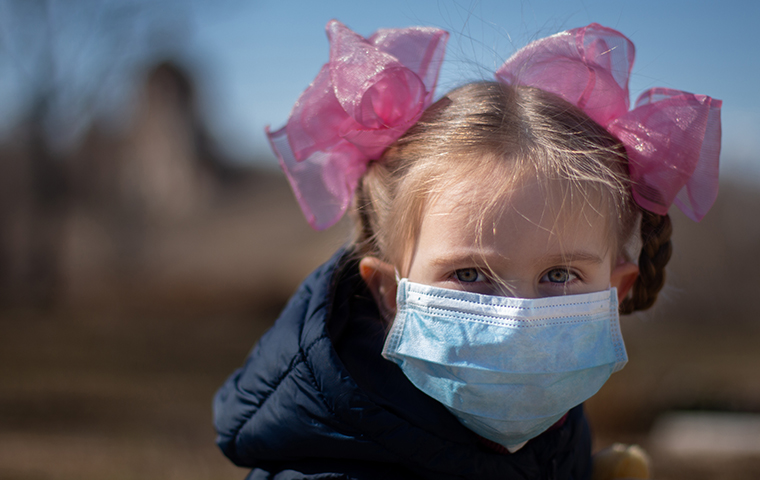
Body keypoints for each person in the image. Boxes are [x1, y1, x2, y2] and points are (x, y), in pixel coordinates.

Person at [213, 20, 721, 480]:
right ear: (390, 292)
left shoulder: (561, 432)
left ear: (615, 292)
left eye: (561, 274)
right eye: (470, 274)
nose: (517, 320)